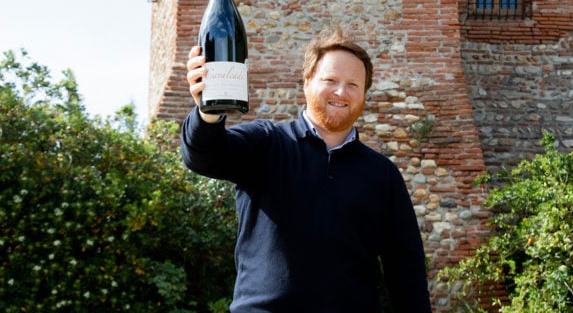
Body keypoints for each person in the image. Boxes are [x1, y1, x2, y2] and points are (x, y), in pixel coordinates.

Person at [182, 27, 433, 313]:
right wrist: (208, 110)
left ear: (364, 94)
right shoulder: (267, 144)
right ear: (307, 82)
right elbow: (203, 156)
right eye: (330, 80)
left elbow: (407, 273)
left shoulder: (383, 174)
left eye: (353, 84)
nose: (341, 91)